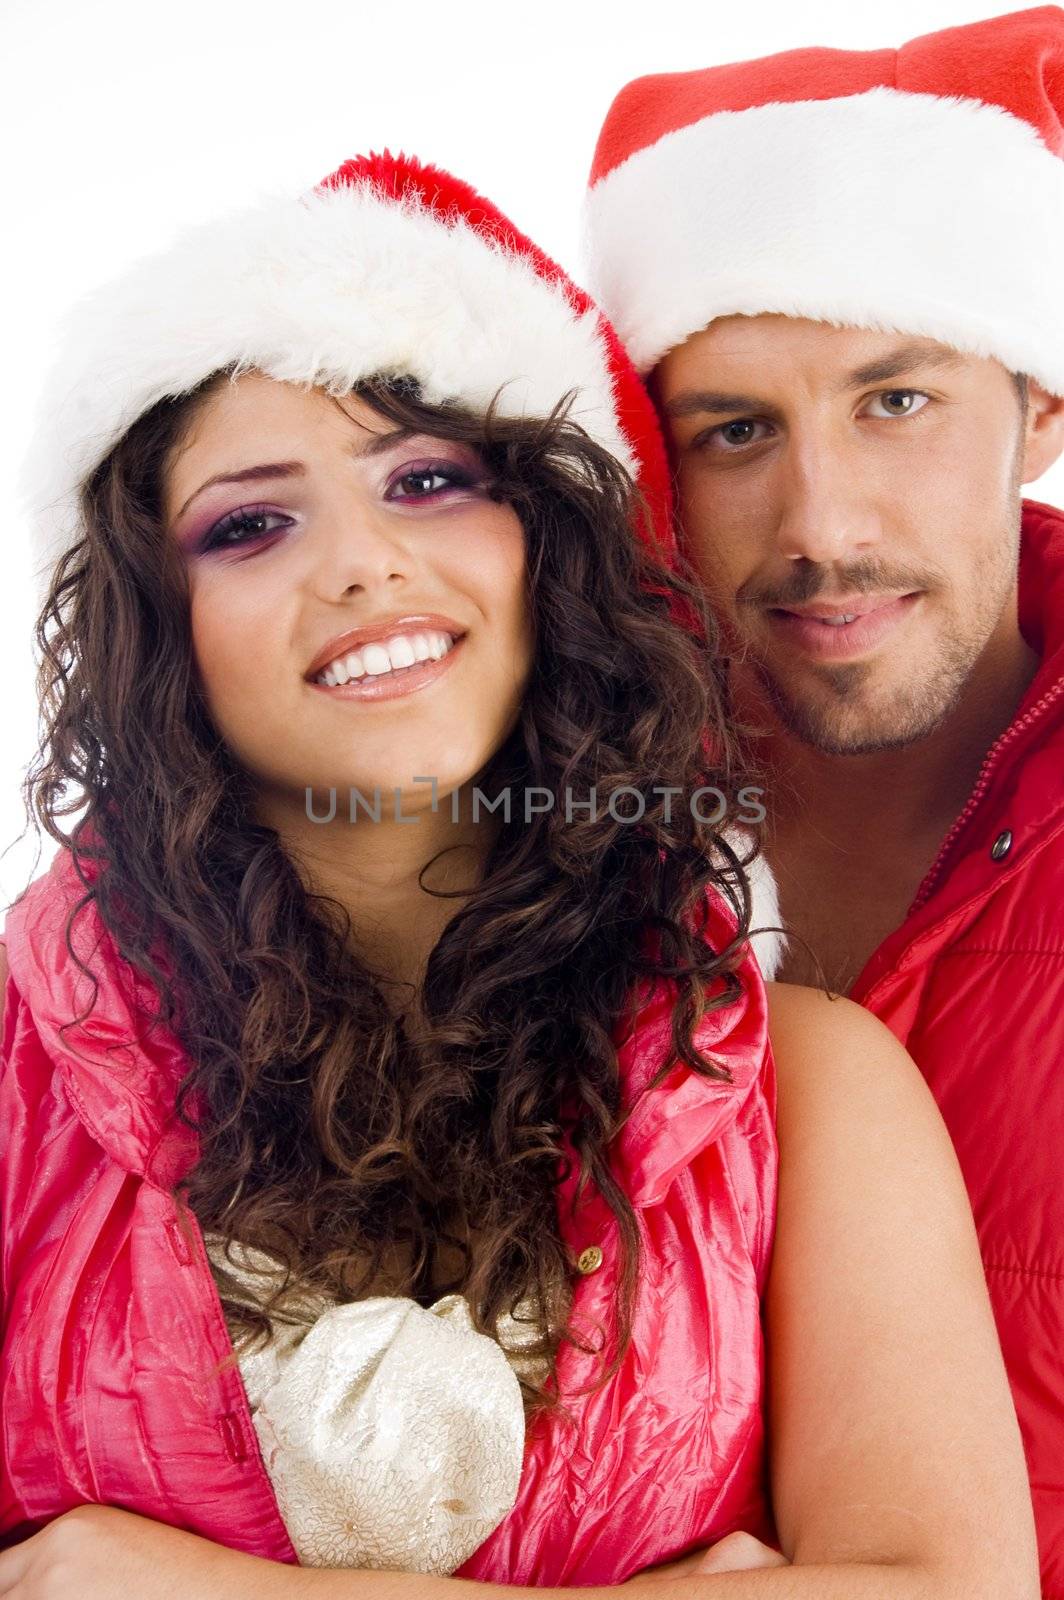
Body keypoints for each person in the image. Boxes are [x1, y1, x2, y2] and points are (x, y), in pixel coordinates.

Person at [0, 151, 1037, 1598]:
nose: (363, 564)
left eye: (427, 482)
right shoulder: (12, 1068)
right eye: (250, 523)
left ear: (548, 553)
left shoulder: (813, 1087)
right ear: (154, 627)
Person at [582, 6, 1064, 1594]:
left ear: (1041, 409)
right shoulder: (533, 842)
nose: (822, 524)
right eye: (735, 431)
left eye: (896, 401)